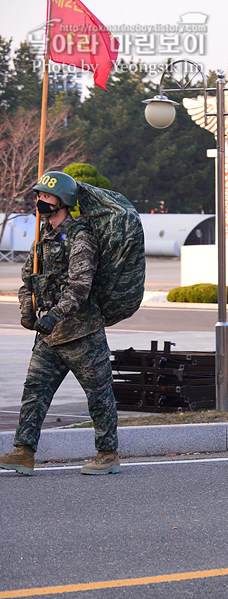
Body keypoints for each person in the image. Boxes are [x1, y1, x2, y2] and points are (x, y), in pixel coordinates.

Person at [0, 171, 120, 476]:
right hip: (49, 336)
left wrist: (56, 314)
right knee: (34, 391)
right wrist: (27, 310)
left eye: (46, 196)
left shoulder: (81, 237)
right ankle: (24, 452)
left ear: (63, 201)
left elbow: (80, 285)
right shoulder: (42, 237)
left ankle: (107, 454)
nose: (40, 200)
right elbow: (28, 279)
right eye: (39, 195)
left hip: (82, 334)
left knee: (99, 396)